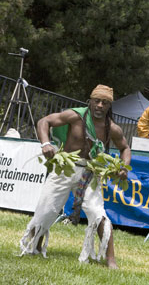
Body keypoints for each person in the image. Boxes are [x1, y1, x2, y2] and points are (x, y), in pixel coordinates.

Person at [19, 84, 131, 269]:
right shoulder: (75, 116)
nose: (100, 106)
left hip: (90, 173)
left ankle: (110, 259)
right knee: (46, 208)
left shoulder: (112, 128)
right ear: (90, 101)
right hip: (65, 167)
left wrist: (123, 167)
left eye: (105, 103)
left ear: (109, 106)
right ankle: (35, 246)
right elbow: (44, 122)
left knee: (97, 213)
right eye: (97, 101)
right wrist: (45, 144)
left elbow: (125, 148)